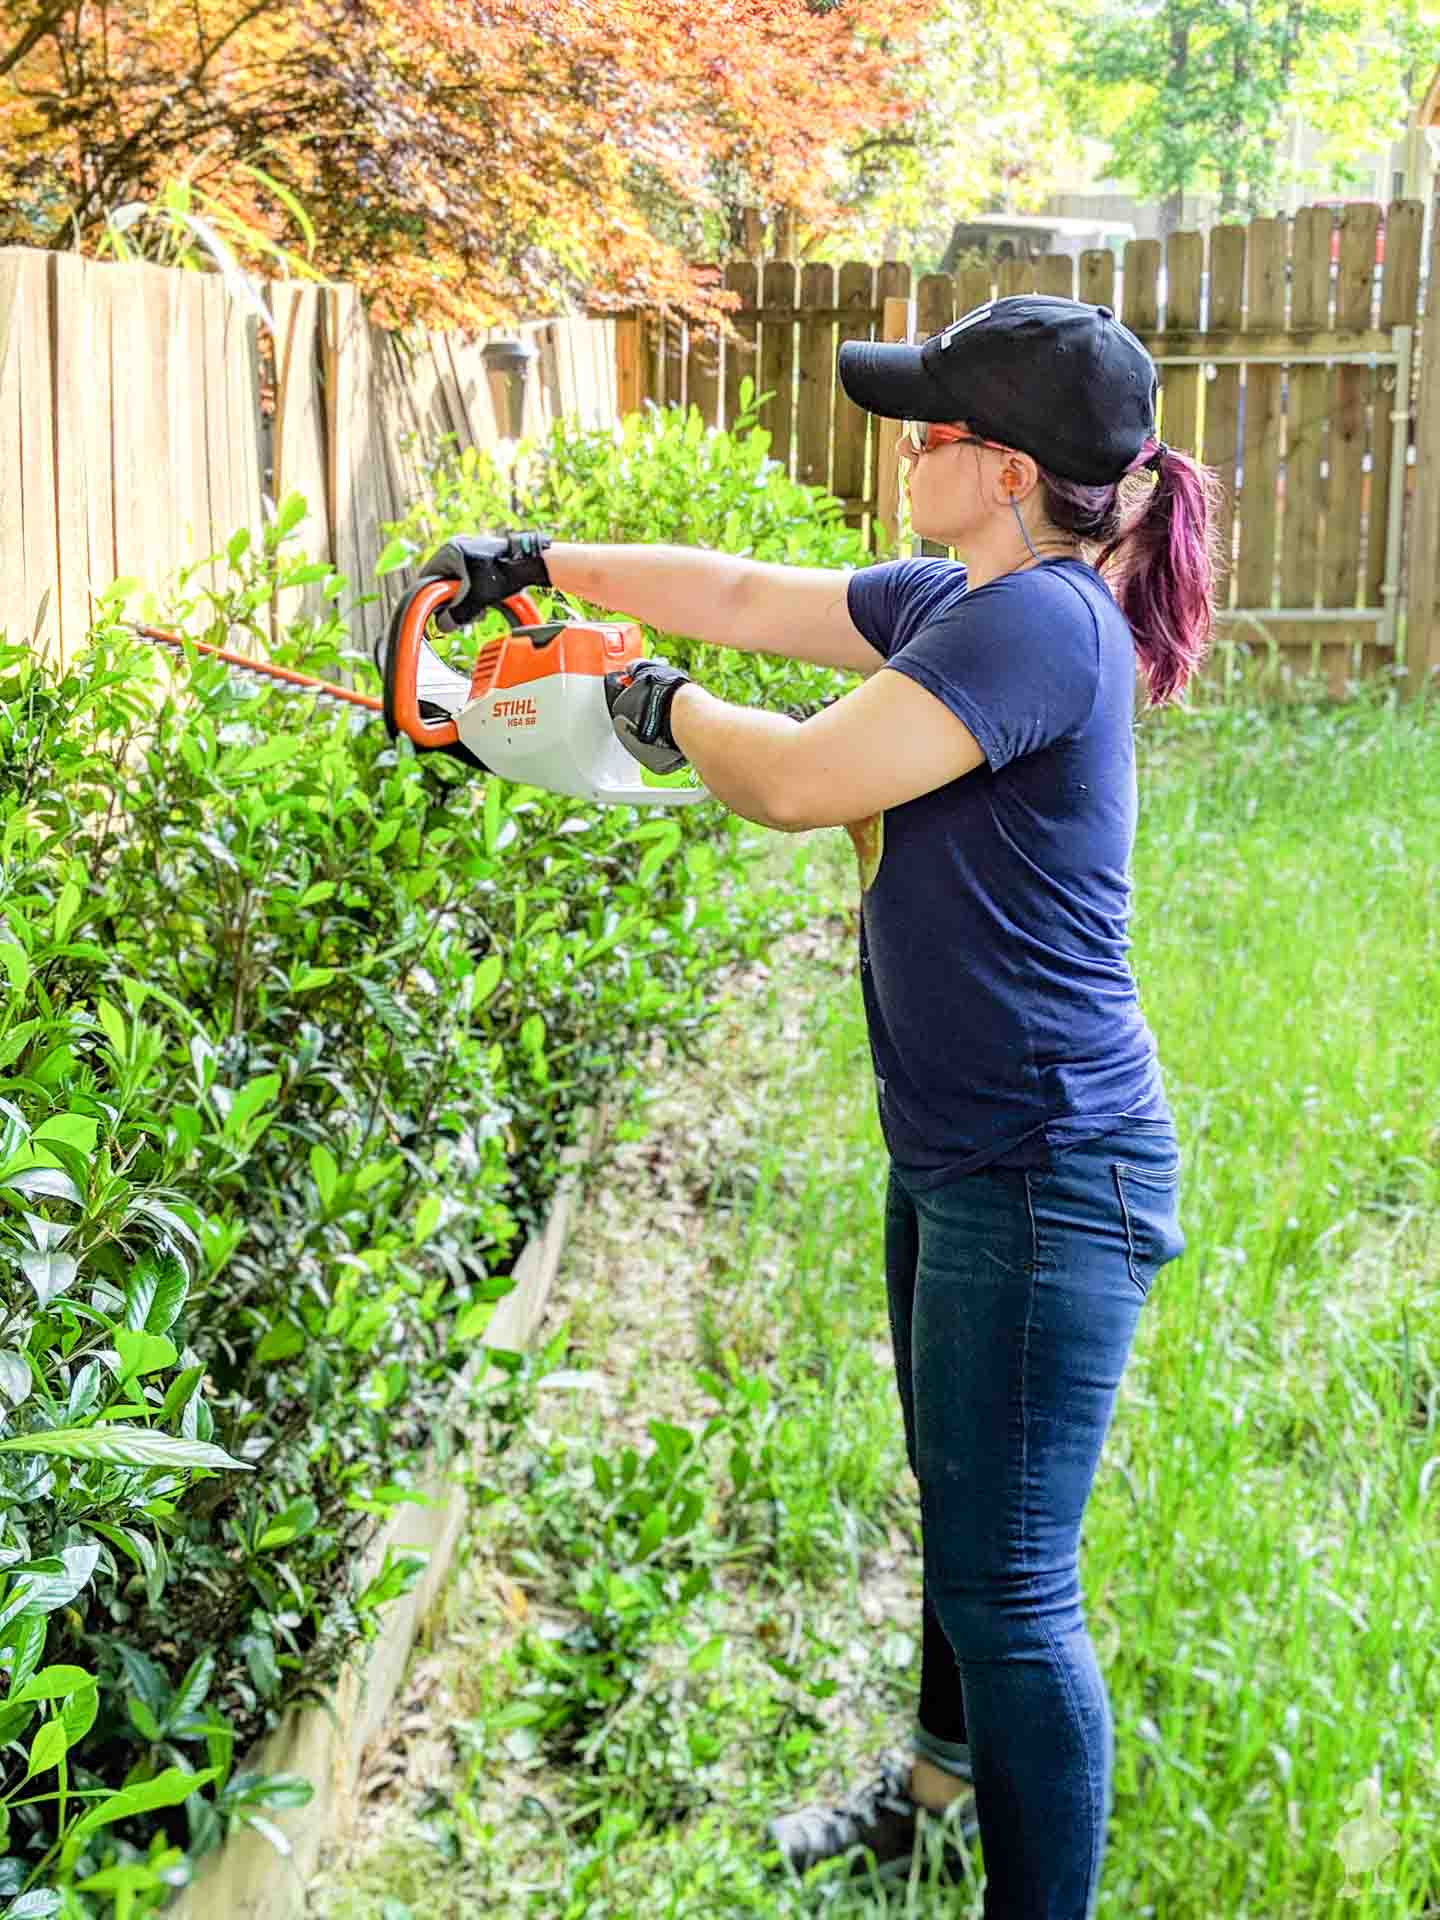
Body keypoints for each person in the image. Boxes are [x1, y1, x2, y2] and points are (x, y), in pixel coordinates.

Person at [418, 294, 1220, 1918]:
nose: (900, 444)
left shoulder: (1039, 625)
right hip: (970, 1152)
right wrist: (542, 561)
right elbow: (735, 594)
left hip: (1051, 1169)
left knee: (1012, 1587)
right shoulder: (959, 595)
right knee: (962, 1495)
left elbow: (793, 781)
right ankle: (932, 1794)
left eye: (928, 426)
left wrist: (642, 706)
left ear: (1003, 468)